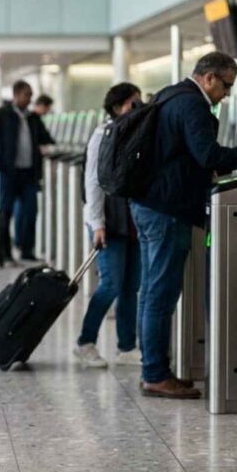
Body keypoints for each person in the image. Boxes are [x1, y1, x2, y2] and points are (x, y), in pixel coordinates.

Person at [132, 52, 237, 399]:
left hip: (147, 204)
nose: (227, 94)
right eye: (226, 85)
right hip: (167, 209)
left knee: (151, 290)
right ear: (210, 78)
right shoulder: (192, 104)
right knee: (161, 292)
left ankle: (152, 367)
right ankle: (154, 372)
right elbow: (209, 155)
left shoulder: (169, 94)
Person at [74, 83, 143, 369]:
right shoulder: (102, 135)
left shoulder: (135, 134)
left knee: (131, 286)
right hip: (108, 221)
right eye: (132, 103)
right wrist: (97, 224)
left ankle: (126, 346)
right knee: (111, 284)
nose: (137, 109)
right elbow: (93, 182)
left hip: (132, 222)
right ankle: (85, 342)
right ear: (116, 107)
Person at [0, 80, 55, 263]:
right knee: (5, 212)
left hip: (28, 173)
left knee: (30, 211)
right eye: (27, 95)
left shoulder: (33, 118)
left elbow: (46, 138)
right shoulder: (1, 115)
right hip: (7, 172)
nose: (30, 99)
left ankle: (27, 250)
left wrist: (46, 146)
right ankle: (5, 252)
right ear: (16, 95)